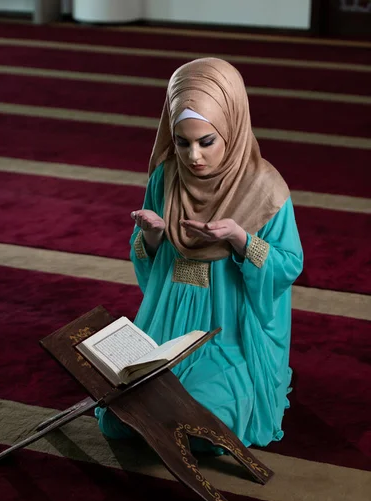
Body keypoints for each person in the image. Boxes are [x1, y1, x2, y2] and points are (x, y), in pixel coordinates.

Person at [95, 57, 303, 450]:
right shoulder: (167, 176)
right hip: (167, 323)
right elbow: (146, 259)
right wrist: (154, 237)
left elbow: (288, 265)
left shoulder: (264, 189)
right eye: (181, 141)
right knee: (118, 419)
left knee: (206, 426)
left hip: (230, 332)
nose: (193, 157)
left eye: (206, 141)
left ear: (233, 128)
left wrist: (242, 240)